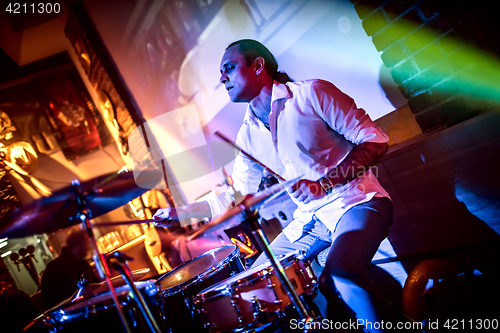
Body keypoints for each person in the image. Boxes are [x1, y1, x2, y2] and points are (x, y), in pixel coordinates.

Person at [154, 39, 395, 332]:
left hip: (357, 201)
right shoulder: (247, 136)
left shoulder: (312, 93)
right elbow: (237, 196)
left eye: (228, 68)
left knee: (340, 276)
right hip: (309, 220)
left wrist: (326, 183)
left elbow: (376, 140)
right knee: (253, 288)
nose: (222, 78)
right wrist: (182, 214)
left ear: (258, 66)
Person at [41, 227, 98, 308]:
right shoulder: (58, 268)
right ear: (80, 244)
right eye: (87, 243)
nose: (89, 247)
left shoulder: (77, 263)